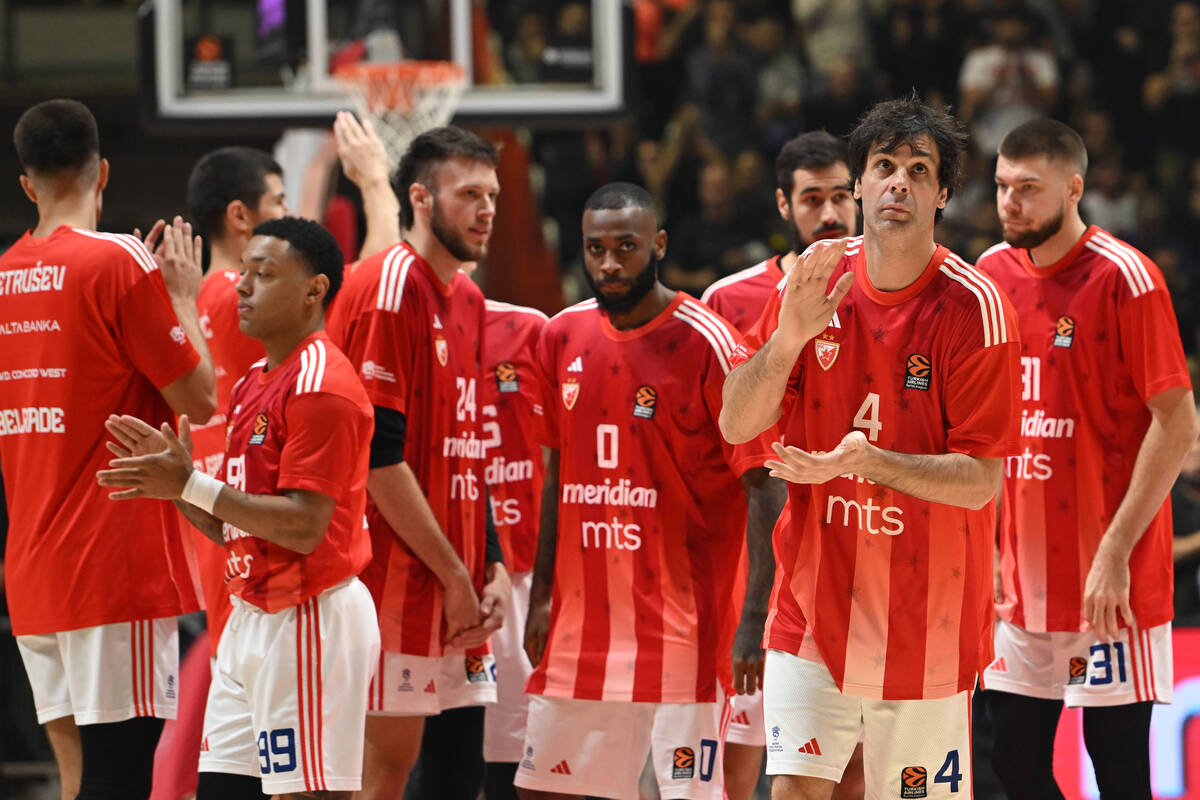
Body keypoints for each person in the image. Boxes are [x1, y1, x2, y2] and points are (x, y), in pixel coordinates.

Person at [719, 95, 1021, 800]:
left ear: (942, 193)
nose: (899, 183)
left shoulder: (975, 307)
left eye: (919, 170)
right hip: (811, 602)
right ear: (858, 183)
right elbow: (737, 423)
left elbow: (980, 481)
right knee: (793, 790)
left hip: (927, 617)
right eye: (884, 166)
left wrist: (868, 462)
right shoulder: (814, 281)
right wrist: (789, 335)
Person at [514, 182, 785, 800]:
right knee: (541, 791)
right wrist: (541, 596)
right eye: (596, 249)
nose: (609, 264)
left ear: (658, 245)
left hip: (683, 636)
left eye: (626, 247)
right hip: (582, 628)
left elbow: (765, 488)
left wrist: (753, 623)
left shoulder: (711, 344)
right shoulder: (559, 337)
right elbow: (557, 475)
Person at [97, 216, 380, 799]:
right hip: (250, 613)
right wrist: (175, 485)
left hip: (309, 614)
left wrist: (192, 485)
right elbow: (237, 527)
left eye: (265, 274)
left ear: (314, 290)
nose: (242, 288)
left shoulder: (323, 383)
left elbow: (303, 527)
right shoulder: (254, 380)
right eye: (243, 272)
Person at [0, 98, 216, 800]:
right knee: (120, 780)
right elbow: (201, 400)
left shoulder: (6, 274)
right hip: (110, 560)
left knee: (78, 781)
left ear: (27, 184)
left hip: (34, 568)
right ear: (104, 174)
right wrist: (183, 295)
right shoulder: (118, 259)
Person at [977, 118, 1198, 800]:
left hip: (1111, 584)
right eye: (1001, 187)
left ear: (1074, 188)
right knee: (1012, 761)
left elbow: (1176, 422)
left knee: (1121, 770)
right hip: (1018, 582)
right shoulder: (989, 273)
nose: (1010, 203)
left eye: (1028, 189)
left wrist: (1113, 553)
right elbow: (979, 428)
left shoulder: (1127, 278)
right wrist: (985, 547)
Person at [327, 126, 510, 800]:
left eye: (492, 194)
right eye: (469, 194)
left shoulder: (469, 299)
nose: (487, 208)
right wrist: (457, 575)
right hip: (392, 587)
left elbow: (472, 448)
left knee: (460, 777)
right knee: (381, 778)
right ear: (421, 198)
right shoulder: (389, 286)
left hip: (455, 588)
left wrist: (488, 565)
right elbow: (378, 461)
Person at [701, 130, 861, 800]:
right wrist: (750, 604)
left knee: (856, 773)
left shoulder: (895, 287)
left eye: (837, 197)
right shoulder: (731, 301)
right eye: (810, 198)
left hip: (872, 562)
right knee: (746, 768)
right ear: (782, 205)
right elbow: (747, 463)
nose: (827, 212)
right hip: (762, 572)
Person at [478, 296, 550, 800]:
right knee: (443, 752)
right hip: (443, 571)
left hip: (525, 573)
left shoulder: (528, 329)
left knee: (520, 756)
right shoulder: (401, 325)